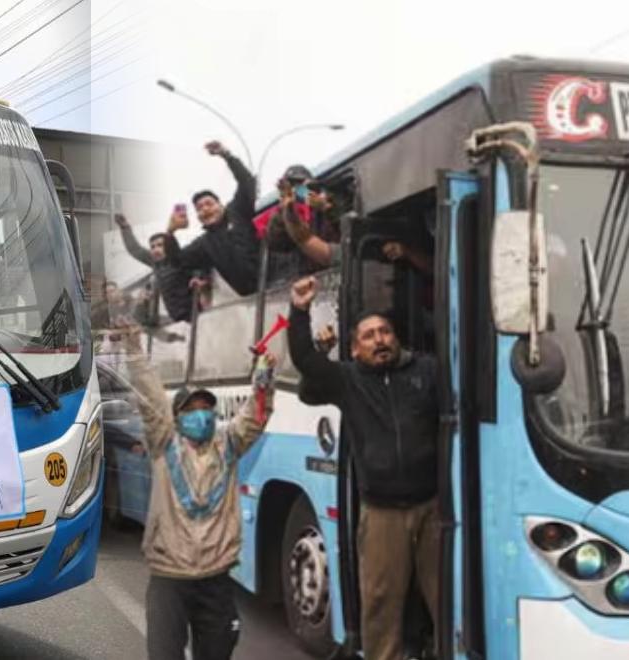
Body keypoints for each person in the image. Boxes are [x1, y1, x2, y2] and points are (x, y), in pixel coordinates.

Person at [287, 275, 441, 660]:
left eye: (385, 332)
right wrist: (299, 311)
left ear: (397, 338)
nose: (379, 340)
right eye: (369, 336)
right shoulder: (347, 380)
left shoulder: (429, 371)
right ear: (355, 349)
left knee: (445, 597)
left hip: (433, 509)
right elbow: (306, 361)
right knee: (380, 604)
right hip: (382, 515)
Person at [117, 319, 276, 660]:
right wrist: (133, 350)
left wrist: (264, 378)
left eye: (207, 410)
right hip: (168, 581)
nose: (201, 416)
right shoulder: (164, 445)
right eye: (192, 410)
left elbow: (255, 416)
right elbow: (151, 401)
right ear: (177, 417)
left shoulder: (228, 447)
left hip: (215, 580)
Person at [168, 140, 260, 296]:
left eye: (208, 203)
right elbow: (177, 261)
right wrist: (170, 232)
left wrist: (226, 155)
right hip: (250, 299)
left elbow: (247, 182)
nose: (204, 209)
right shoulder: (204, 243)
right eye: (199, 208)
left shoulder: (237, 211)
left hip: (275, 284)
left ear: (221, 205)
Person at [115, 212, 207, 323]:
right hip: (177, 318)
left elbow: (199, 265)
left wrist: (201, 277)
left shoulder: (180, 258)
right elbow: (135, 250)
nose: (155, 249)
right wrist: (125, 228)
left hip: (195, 313)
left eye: (159, 245)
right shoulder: (155, 263)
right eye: (152, 247)